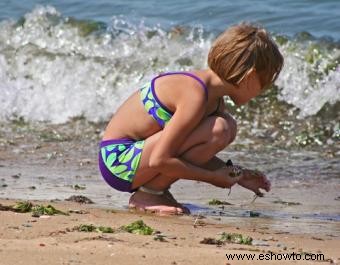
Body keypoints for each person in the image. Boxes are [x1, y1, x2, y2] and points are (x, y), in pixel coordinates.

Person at [98, 22, 284, 215]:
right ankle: (148, 194)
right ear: (250, 76)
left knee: (226, 126)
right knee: (220, 128)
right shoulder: (194, 95)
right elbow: (160, 159)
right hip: (118, 162)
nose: (262, 91)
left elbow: (189, 149)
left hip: (132, 162)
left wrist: (239, 175)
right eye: (264, 84)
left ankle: (154, 190)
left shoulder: (214, 99)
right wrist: (212, 178)